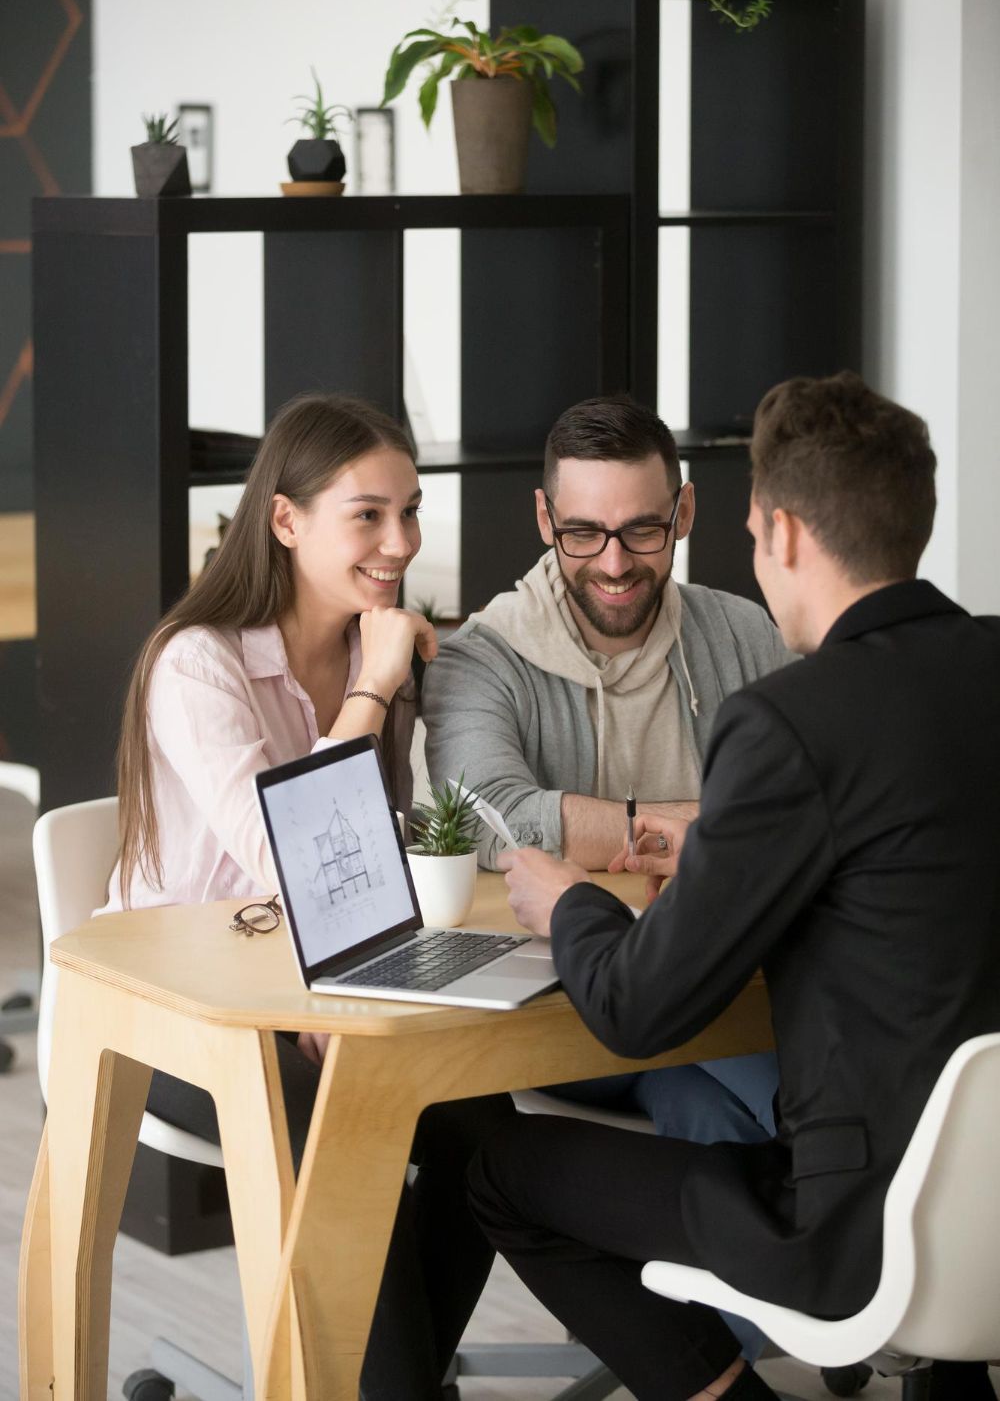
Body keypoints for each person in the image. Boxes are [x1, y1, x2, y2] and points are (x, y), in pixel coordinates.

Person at [467, 372, 1000, 1401]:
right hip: (985, 1208)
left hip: (849, 1223)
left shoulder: (793, 720)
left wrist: (566, 897)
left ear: (784, 533)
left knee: (498, 1172)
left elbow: (634, 1008)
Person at [108, 393, 512, 1401]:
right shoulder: (197, 663)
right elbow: (297, 857)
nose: (400, 541)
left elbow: (386, 861)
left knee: (488, 1125)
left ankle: (391, 1383)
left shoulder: (378, 649)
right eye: (367, 515)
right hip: (173, 1006)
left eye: (409, 512)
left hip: (314, 986)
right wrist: (373, 690)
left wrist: (349, 996)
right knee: (343, 1134)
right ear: (286, 521)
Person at [422, 395, 785, 1188]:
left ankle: (783, 1290)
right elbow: (496, 820)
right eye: (583, 533)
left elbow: (810, 800)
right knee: (795, 1106)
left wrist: (650, 832)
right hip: (565, 1004)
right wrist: (707, 828)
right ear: (545, 518)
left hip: (715, 985)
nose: (614, 564)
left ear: (684, 512)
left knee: (718, 1120)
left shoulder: (745, 634)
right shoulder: (480, 658)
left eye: (642, 531)